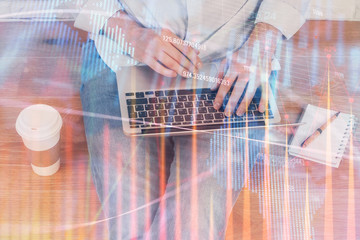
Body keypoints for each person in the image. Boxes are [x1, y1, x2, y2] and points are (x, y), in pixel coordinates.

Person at [74, 0, 310, 239]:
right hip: (122, 53)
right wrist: (128, 31)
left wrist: (264, 40)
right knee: (130, 225)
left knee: (192, 229)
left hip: (235, 69)